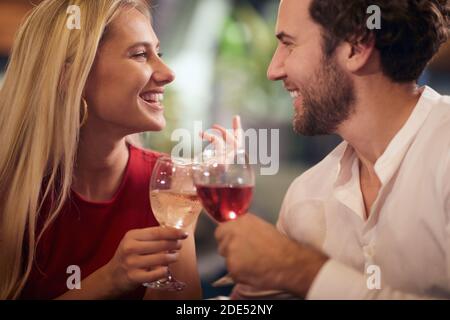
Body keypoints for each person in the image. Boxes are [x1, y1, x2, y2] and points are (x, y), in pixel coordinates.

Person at [215, 0, 450, 299]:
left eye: (289, 44)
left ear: (356, 46)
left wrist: (302, 271)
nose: (273, 70)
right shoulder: (304, 195)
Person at [0, 0, 201, 300]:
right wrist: (110, 279)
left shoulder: (169, 182)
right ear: (71, 77)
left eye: (159, 53)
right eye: (140, 55)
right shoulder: (8, 187)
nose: (167, 73)